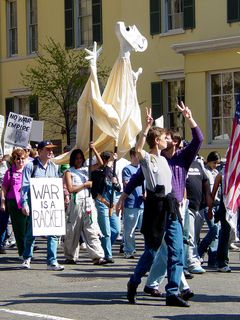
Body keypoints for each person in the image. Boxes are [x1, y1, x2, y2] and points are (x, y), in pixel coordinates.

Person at [117, 102, 203, 307]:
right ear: (157, 140)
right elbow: (138, 151)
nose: (170, 139)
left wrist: (189, 117)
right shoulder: (150, 159)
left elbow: (198, 139)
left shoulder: (170, 160)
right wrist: (146, 127)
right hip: (155, 207)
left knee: (177, 250)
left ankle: (172, 292)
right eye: (165, 137)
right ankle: (134, 282)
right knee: (152, 252)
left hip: (171, 205)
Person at [20, 140, 64, 271]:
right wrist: (24, 203)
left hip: (50, 207)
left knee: (53, 233)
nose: (51, 152)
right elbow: (25, 186)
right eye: (47, 149)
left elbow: (56, 186)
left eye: (51, 149)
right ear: (39, 151)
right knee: (31, 233)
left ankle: (52, 261)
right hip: (35, 206)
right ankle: (27, 257)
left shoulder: (54, 167)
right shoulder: (30, 166)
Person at [64, 145, 107, 265]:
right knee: (73, 229)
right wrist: (85, 185)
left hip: (88, 202)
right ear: (73, 159)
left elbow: (101, 163)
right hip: (76, 202)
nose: (79, 160)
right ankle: (70, 256)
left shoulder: (86, 169)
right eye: (77, 158)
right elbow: (71, 188)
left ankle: (98, 256)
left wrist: (94, 149)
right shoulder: (69, 172)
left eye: (80, 158)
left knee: (91, 228)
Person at [91, 151, 121, 263]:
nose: (110, 163)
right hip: (102, 203)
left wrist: (116, 183)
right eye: (108, 160)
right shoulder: (97, 172)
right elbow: (100, 181)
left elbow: (118, 188)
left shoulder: (111, 172)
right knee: (106, 231)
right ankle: (107, 255)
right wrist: (108, 166)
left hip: (112, 204)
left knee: (116, 229)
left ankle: (103, 247)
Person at [0, 148, 28, 258]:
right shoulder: (10, 172)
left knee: (28, 228)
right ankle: (22, 252)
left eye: (22, 158)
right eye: (18, 159)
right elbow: (4, 188)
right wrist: (3, 202)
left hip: (26, 201)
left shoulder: (28, 170)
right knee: (18, 228)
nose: (20, 161)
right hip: (13, 202)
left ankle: (27, 250)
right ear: (14, 160)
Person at [198, 151, 221, 267]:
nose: (216, 165)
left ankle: (212, 258)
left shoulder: (216, 172)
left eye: (217, 163)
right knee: (214, 229)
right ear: (209, 160)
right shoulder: (204, 171)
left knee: (216, 233)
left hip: (216, 204)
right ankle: (200, 250)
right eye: (214, 163)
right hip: (207, 205)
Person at [122, 147, 144, 259]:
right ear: (132, 156)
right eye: (137, 155)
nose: (139, 158)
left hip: (142, 203)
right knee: (129, 229)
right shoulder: (127, 169)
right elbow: (127, 184)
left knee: (145, 229)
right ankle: (129, 250)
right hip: (131, 203)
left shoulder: (143, 167)